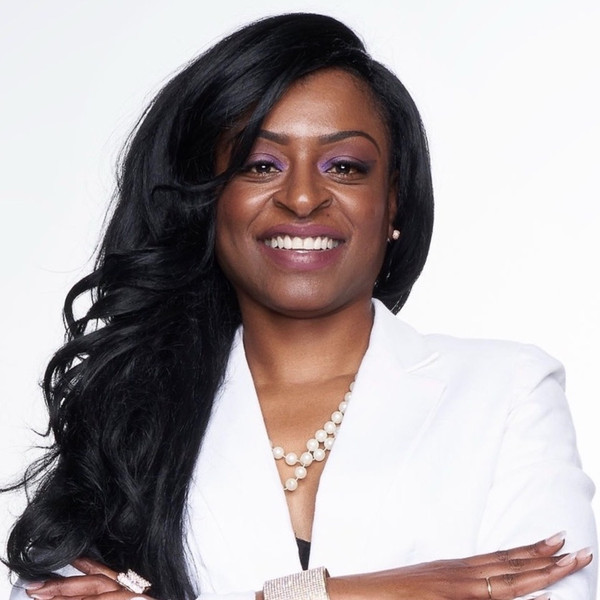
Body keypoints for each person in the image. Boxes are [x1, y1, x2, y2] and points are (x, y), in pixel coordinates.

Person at [4, 12, 596, 600]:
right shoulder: (127, 414)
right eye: (261, 165)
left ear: (393, 201)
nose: (304, 197)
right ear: (209, 201)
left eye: (345, 167)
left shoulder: (508, 392)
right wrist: (341, 593)